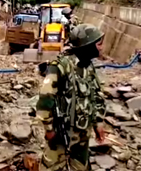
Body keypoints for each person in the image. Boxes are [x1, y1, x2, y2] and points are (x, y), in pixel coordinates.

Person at [36, 24, 106, 171]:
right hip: (60, 132)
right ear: (87, 45)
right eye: (99, 44)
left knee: (80, 166)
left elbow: (96, 94)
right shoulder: (61, 66)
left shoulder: (88, 67)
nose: (101, 48)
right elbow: (44, 101)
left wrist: (98, 122)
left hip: (82, 133)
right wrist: (49, 130)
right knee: (51, 167)